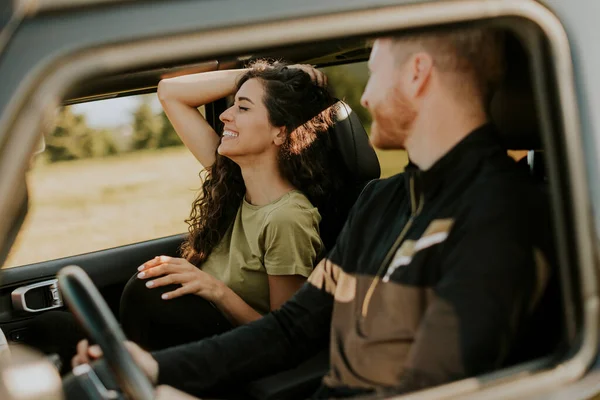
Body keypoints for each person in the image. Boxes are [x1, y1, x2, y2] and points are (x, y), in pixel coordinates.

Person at [67, 27, 560, 399]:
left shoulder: (506, 215)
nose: (363, 96)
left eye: (376, 68)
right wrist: (155, 369)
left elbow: (433, 386)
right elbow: (291, 328)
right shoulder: (381, 202)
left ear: (417, 74)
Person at [118, 61, 343, 350]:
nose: (224, 115)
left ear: (280, 132)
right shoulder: (233, 183)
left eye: (243, 107)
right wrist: (253, 77)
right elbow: (169, 93)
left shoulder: (287, 218)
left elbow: (286, 337)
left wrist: (214, 290)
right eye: (232, 105)